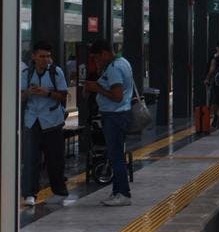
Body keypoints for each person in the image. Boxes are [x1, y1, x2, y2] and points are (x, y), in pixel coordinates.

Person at [20, 40, 73, 207]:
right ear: (34, 56)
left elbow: (63, 96)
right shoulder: (26, 73)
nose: (46, 60)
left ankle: (59, 191)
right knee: (30, 159)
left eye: (48, 56)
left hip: (52, 122)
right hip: (32, 121)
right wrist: (28, 92)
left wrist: (47, 93)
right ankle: (30, 193)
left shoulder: (56, 72)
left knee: (55, 159)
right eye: (42, 56)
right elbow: (19, 97)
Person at [84, 39, 134, 206]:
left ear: (105, 53)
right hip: (119, 115)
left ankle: (123, 193)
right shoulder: (123, 62)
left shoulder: (114, 68)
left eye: (97, 58)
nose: (96, 61)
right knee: (115, 155)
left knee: (116, 156)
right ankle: (117, 191)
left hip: (114, 116)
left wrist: (97, 88)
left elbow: (117, 96)